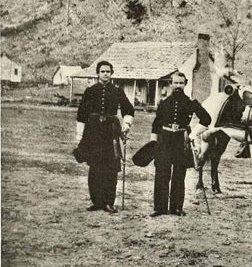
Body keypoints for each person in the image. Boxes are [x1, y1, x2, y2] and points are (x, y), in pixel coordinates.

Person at [148, 72, 211, 217]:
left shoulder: (191, 103)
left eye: (181, 83)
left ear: (185, 84)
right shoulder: (164, 102)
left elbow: (206, 119)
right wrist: (153, 142)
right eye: (175, 83)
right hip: (164, 140)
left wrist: (193, 134)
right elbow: (156, 124)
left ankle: (176, 208)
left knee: (179, 174)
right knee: (162, 174)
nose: (178, 86)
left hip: (181, 142)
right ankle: (160, 208)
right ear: (170, 84)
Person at [75, 60, 134, 213]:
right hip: (93, 132)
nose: (105, 74)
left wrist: (126, 124)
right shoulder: (90, 91)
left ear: (111, 73)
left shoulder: (117, 90)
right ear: (98, 73)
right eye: (102, 71)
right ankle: (96, 202)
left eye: (108, 71)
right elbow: (82, 114)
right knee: (95, 167)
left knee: (111, 168)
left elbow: (129, 109)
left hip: (111, 132)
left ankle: (108, 202)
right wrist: (79, 135)